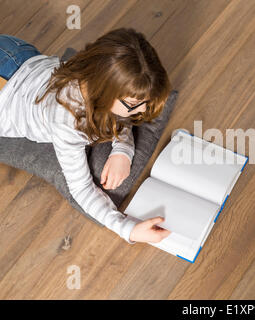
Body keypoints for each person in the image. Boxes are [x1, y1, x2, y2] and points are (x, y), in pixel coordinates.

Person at [0, 29, 172, 244]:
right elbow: (81, 188)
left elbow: (119, 115)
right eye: (133, 105)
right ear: (104, 93)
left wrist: (122, 150)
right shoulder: (68, 122)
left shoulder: (92, 72)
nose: (141, 112)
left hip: (16, 53)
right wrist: (128, 228)